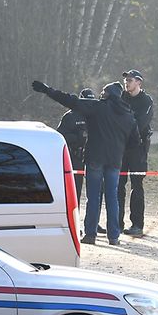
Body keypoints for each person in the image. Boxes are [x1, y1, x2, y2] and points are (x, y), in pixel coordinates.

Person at [32, 79, 137, 246]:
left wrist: (47, 90)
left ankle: (90, 234)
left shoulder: (97, 107)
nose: (101, 94)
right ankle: (114, 237)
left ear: (109, 95)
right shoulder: (128, 115)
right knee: (112, 198)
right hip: (115, 161)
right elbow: (135, 142)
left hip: (95, 158)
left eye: (104, 91)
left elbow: (70, 100)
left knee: (93, 197)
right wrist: (120, 149)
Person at [118, 69, 155, 237]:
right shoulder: (121, 97)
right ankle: (116, 223)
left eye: (130, 80)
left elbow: (139, 125)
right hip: (121, 147)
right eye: (126, 79)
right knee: (118, 185)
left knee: (136, 185)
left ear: (139, 82)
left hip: (138, 148)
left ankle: (137, 225)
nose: (127, 82)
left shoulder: (146, 101)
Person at [56, 89, 92, 202]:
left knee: (93, 193)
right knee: (74, 190)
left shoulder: (96, 115)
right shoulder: (70, 116)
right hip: (75, 156)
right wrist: (77, 137)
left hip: (92, 156)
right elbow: (60, 136)